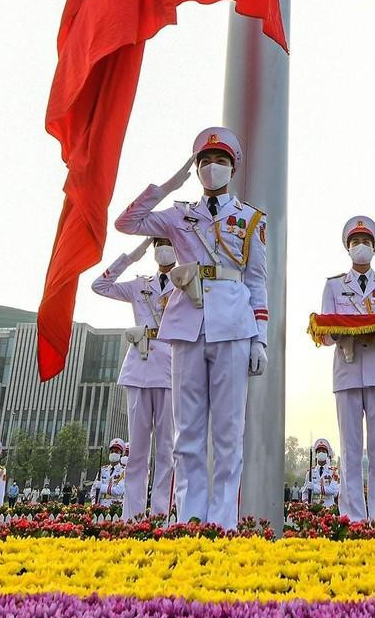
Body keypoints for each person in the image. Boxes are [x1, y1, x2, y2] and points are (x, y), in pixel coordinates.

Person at [114, 126, 270, 530]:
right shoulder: (180, 213)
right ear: (196, 168)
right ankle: (190, 517)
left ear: (232, 167)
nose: (212, 168)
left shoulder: (250, 219)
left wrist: (260, 339)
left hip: (234, 325)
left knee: (228, 431)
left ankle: (222, 521)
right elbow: (126, 223)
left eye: (220, 161)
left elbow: (256, 282)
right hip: (185, 324)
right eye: (205, 162)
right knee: (187, 432)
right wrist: (165, 186)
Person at [308, 215, 375, 523]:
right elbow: (325, 331)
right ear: (347, 248)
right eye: (355, 242)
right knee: (350, 450)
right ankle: (351, 517)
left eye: (365, 242)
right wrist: (344, 330)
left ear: (374, 247)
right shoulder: (334, 286)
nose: (360, 246)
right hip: (347, 371)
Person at [90, 236, 178, 520]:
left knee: (166, 449)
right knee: (137, 451)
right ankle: (133, 517)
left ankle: (161, 516)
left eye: (169, 242)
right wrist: (132, 255)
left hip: (170, 368)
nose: (163, 248)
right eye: (159, 243)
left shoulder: (187, 281)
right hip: (139, 368)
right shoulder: (141, 285)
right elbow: (100, 286)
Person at [304, 438, 340, 511]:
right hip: (314, 508)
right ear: (316, 455)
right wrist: (306, 504)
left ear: (327, 455)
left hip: (329, 508)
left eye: (323, 451)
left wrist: (314, 487)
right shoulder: (310, 472)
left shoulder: (333, 472)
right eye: (319, 451)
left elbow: (332, 490)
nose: (321, 453)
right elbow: (305, 492)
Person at [91, 438, 126, 508]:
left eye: (116, 452)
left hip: (115, 506)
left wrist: (102, 487)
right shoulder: (103, 470)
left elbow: (119, 490)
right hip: (100, 506)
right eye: (112, 451)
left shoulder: (124, 471)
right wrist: (94, 503)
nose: (113, 453)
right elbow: (94, 490)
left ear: (121, 454)